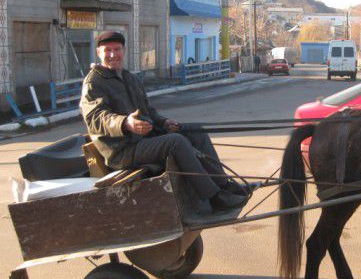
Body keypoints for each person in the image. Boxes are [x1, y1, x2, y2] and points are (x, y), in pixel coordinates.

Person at [79, 30, 248, 211]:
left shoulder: (129, 78)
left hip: (142, 141)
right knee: (176, 142)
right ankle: (214, 197)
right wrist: (125, 123)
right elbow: (96, 118)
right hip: (122, 150)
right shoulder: (94, 82)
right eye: (107, 50)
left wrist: (164, 122)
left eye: (117, 49)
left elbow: (148, 110)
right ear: (99, 53)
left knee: (195, 131)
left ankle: (223, 186)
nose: (113, 55)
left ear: (124, 50)